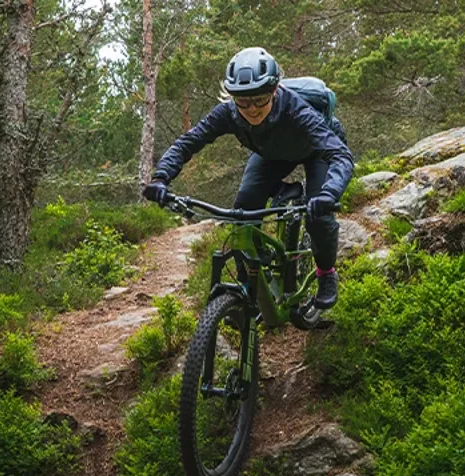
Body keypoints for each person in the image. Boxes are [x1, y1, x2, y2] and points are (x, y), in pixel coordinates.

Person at [143, 47, 353, 309]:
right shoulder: (227, 113)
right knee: (244, 208)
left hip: (317, 151)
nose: (252, 109)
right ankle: (248, 289)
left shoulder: (297, 111)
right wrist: (161, 178)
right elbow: (187, 143)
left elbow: (339, 155)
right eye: (243, 101)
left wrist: (329, 193)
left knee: (318, 216)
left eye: (260, 99)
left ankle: (326, 274)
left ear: (274, 91)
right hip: (271, 154)